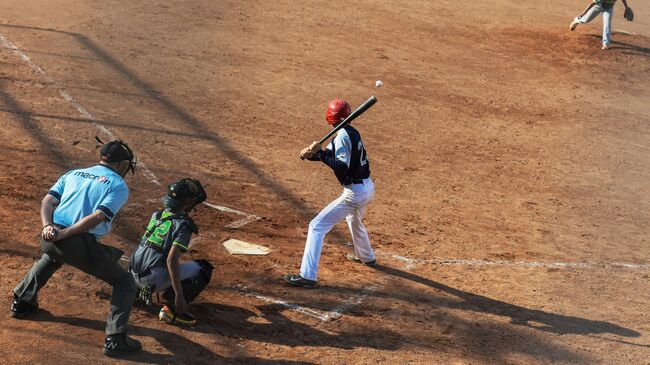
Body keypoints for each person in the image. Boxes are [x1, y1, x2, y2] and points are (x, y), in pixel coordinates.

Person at [11, 139, 141, 357]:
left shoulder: (74, 174)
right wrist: (65, 233)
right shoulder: (117, 185)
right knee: (125, 282)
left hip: (49, 240)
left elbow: (48, 202)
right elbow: (98, 216)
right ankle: (116, 339)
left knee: (53, 256)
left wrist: (48, 227)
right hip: (76, 242)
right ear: (121, 164)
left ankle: (22, 301)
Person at [284, 98, 376, 288]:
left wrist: (321, 154)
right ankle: (366, 256)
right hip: (366, 187)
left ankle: (307, 275)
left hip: (354, 193)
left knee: (317, 226)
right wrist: (314, 154)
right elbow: (331, 156)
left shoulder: (342, 135)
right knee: (354, 219)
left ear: (329, 117)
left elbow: (341, 167)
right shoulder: (349, 132)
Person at [129, 178, 213, 326]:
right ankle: (172, 310)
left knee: (152, 251)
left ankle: (136, 292)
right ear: (187, 203)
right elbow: (171, 260)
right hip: (152, 279)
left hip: (131, 274)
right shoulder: (183, 225)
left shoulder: (157, 215)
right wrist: (179, 296)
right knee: (203, 268)